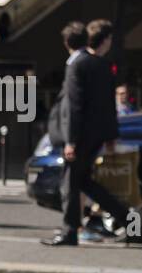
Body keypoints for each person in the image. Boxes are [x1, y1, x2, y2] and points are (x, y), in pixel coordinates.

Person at [43, 18, 129, 246]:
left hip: (79, 136)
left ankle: (70, 232)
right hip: (96, 135)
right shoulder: (100, 64)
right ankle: (128, 218)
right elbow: (107, 105)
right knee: (83, 182)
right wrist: (111, 136)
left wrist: (70, 141)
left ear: (66, 43)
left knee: (70, 184)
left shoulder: (76, 64)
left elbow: (74, 106)